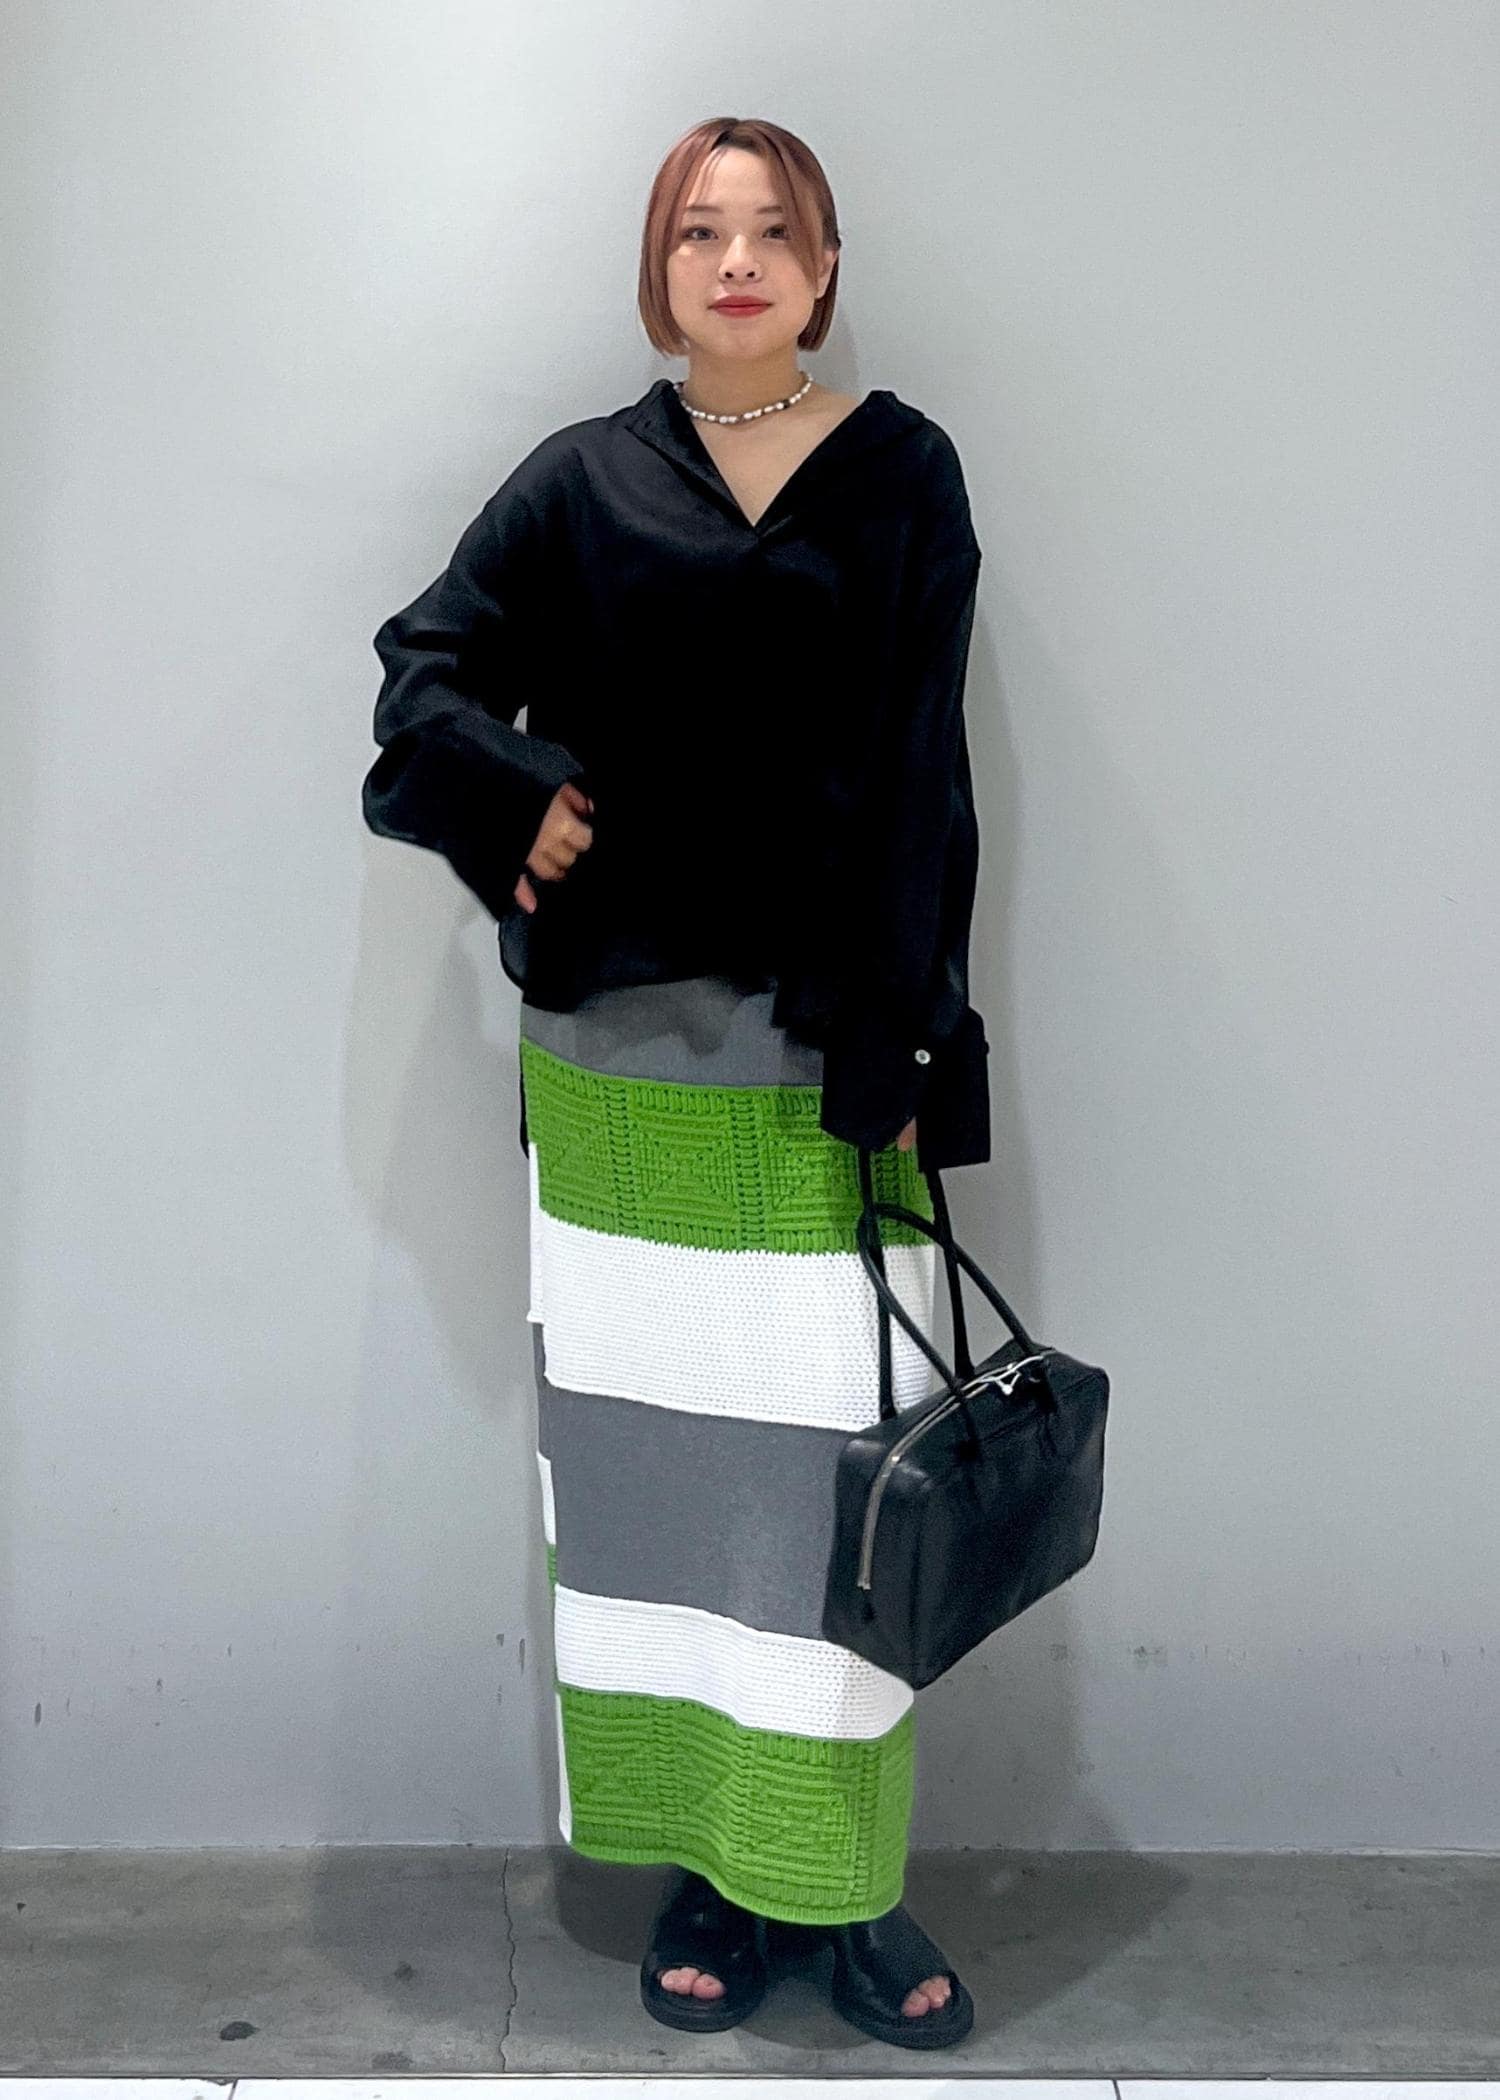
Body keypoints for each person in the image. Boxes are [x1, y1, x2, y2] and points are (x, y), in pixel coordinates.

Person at [362, 115, 988, 2050]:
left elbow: (927, 775)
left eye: (772, 230)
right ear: (660, 270)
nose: (737, 261)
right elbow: (421, 674)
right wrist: (512, 799)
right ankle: (707, 1871)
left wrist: (916, 1040)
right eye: (701, 231)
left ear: (823, 265)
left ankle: (848, 1887)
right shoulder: (583, 482)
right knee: (655, 1491)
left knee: (833, 1498)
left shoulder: (901, 472)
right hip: (619, 1070)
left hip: (823, 1053)